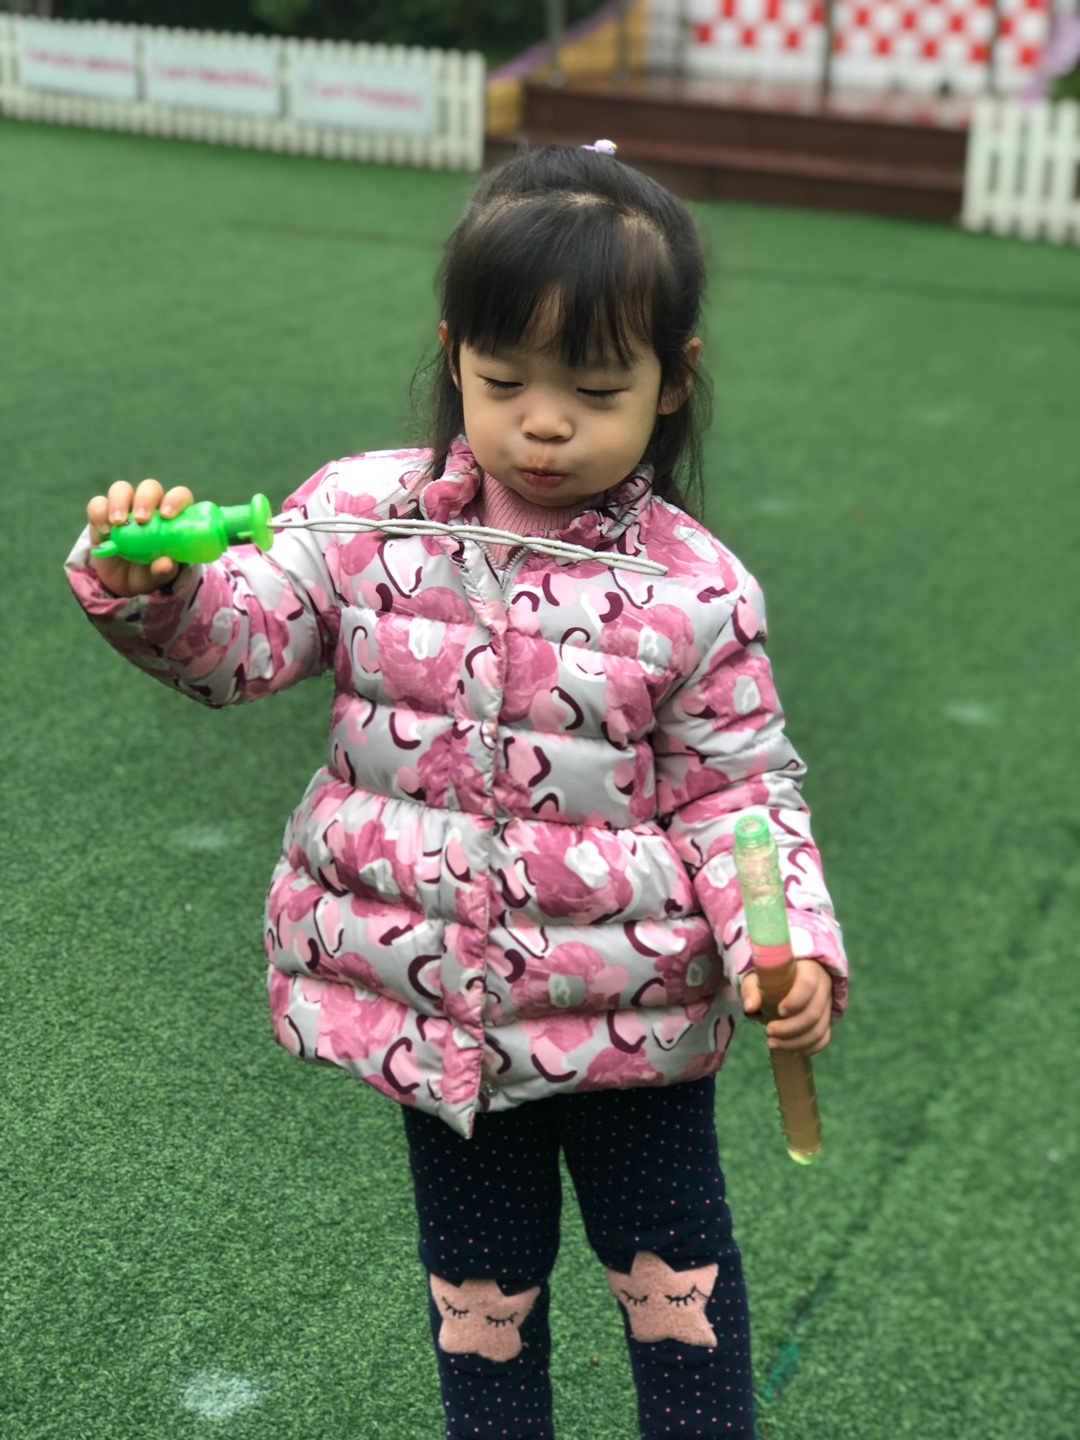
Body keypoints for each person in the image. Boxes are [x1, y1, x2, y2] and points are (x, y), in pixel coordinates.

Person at [66, 143, 847, 1440]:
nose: (544, 423)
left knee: (677, 1290)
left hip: (633, 1025)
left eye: (595, 389)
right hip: (445, 1023)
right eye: (504, 381)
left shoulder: (695, 589)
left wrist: (788, 942)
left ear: (673, 380)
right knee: (482, 1305)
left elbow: (739, 795)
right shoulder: (361, 518)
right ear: (454, 355)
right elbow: (239, 645)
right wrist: (159, 591)